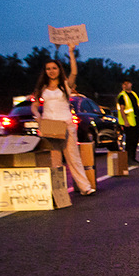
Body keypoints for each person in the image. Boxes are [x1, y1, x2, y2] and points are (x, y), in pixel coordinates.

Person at [30, 43, 95, 196]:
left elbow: (74, 72)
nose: (51, 71)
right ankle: (57, 191)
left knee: (73, 157)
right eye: (48, 69)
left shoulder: (65, 85)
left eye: (54, 68)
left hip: (66, 125)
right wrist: (38, 117)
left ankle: (85, 187)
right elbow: (34, 106)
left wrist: (71, 52)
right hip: (49, 126)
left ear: (59, 70)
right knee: (54, 160)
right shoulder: (42, 88)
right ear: (45, 72)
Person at [116, 79, 139, 166]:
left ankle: (133, 158)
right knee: (130, 141)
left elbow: (138, 108)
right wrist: (125, 121)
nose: (125, 86)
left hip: (135, 121)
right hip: (128, 123)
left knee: (135, 140)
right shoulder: (122, 96)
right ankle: (129, 159)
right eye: (124, 84)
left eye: (127, 84)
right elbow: (122, 109)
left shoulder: (133, 94)